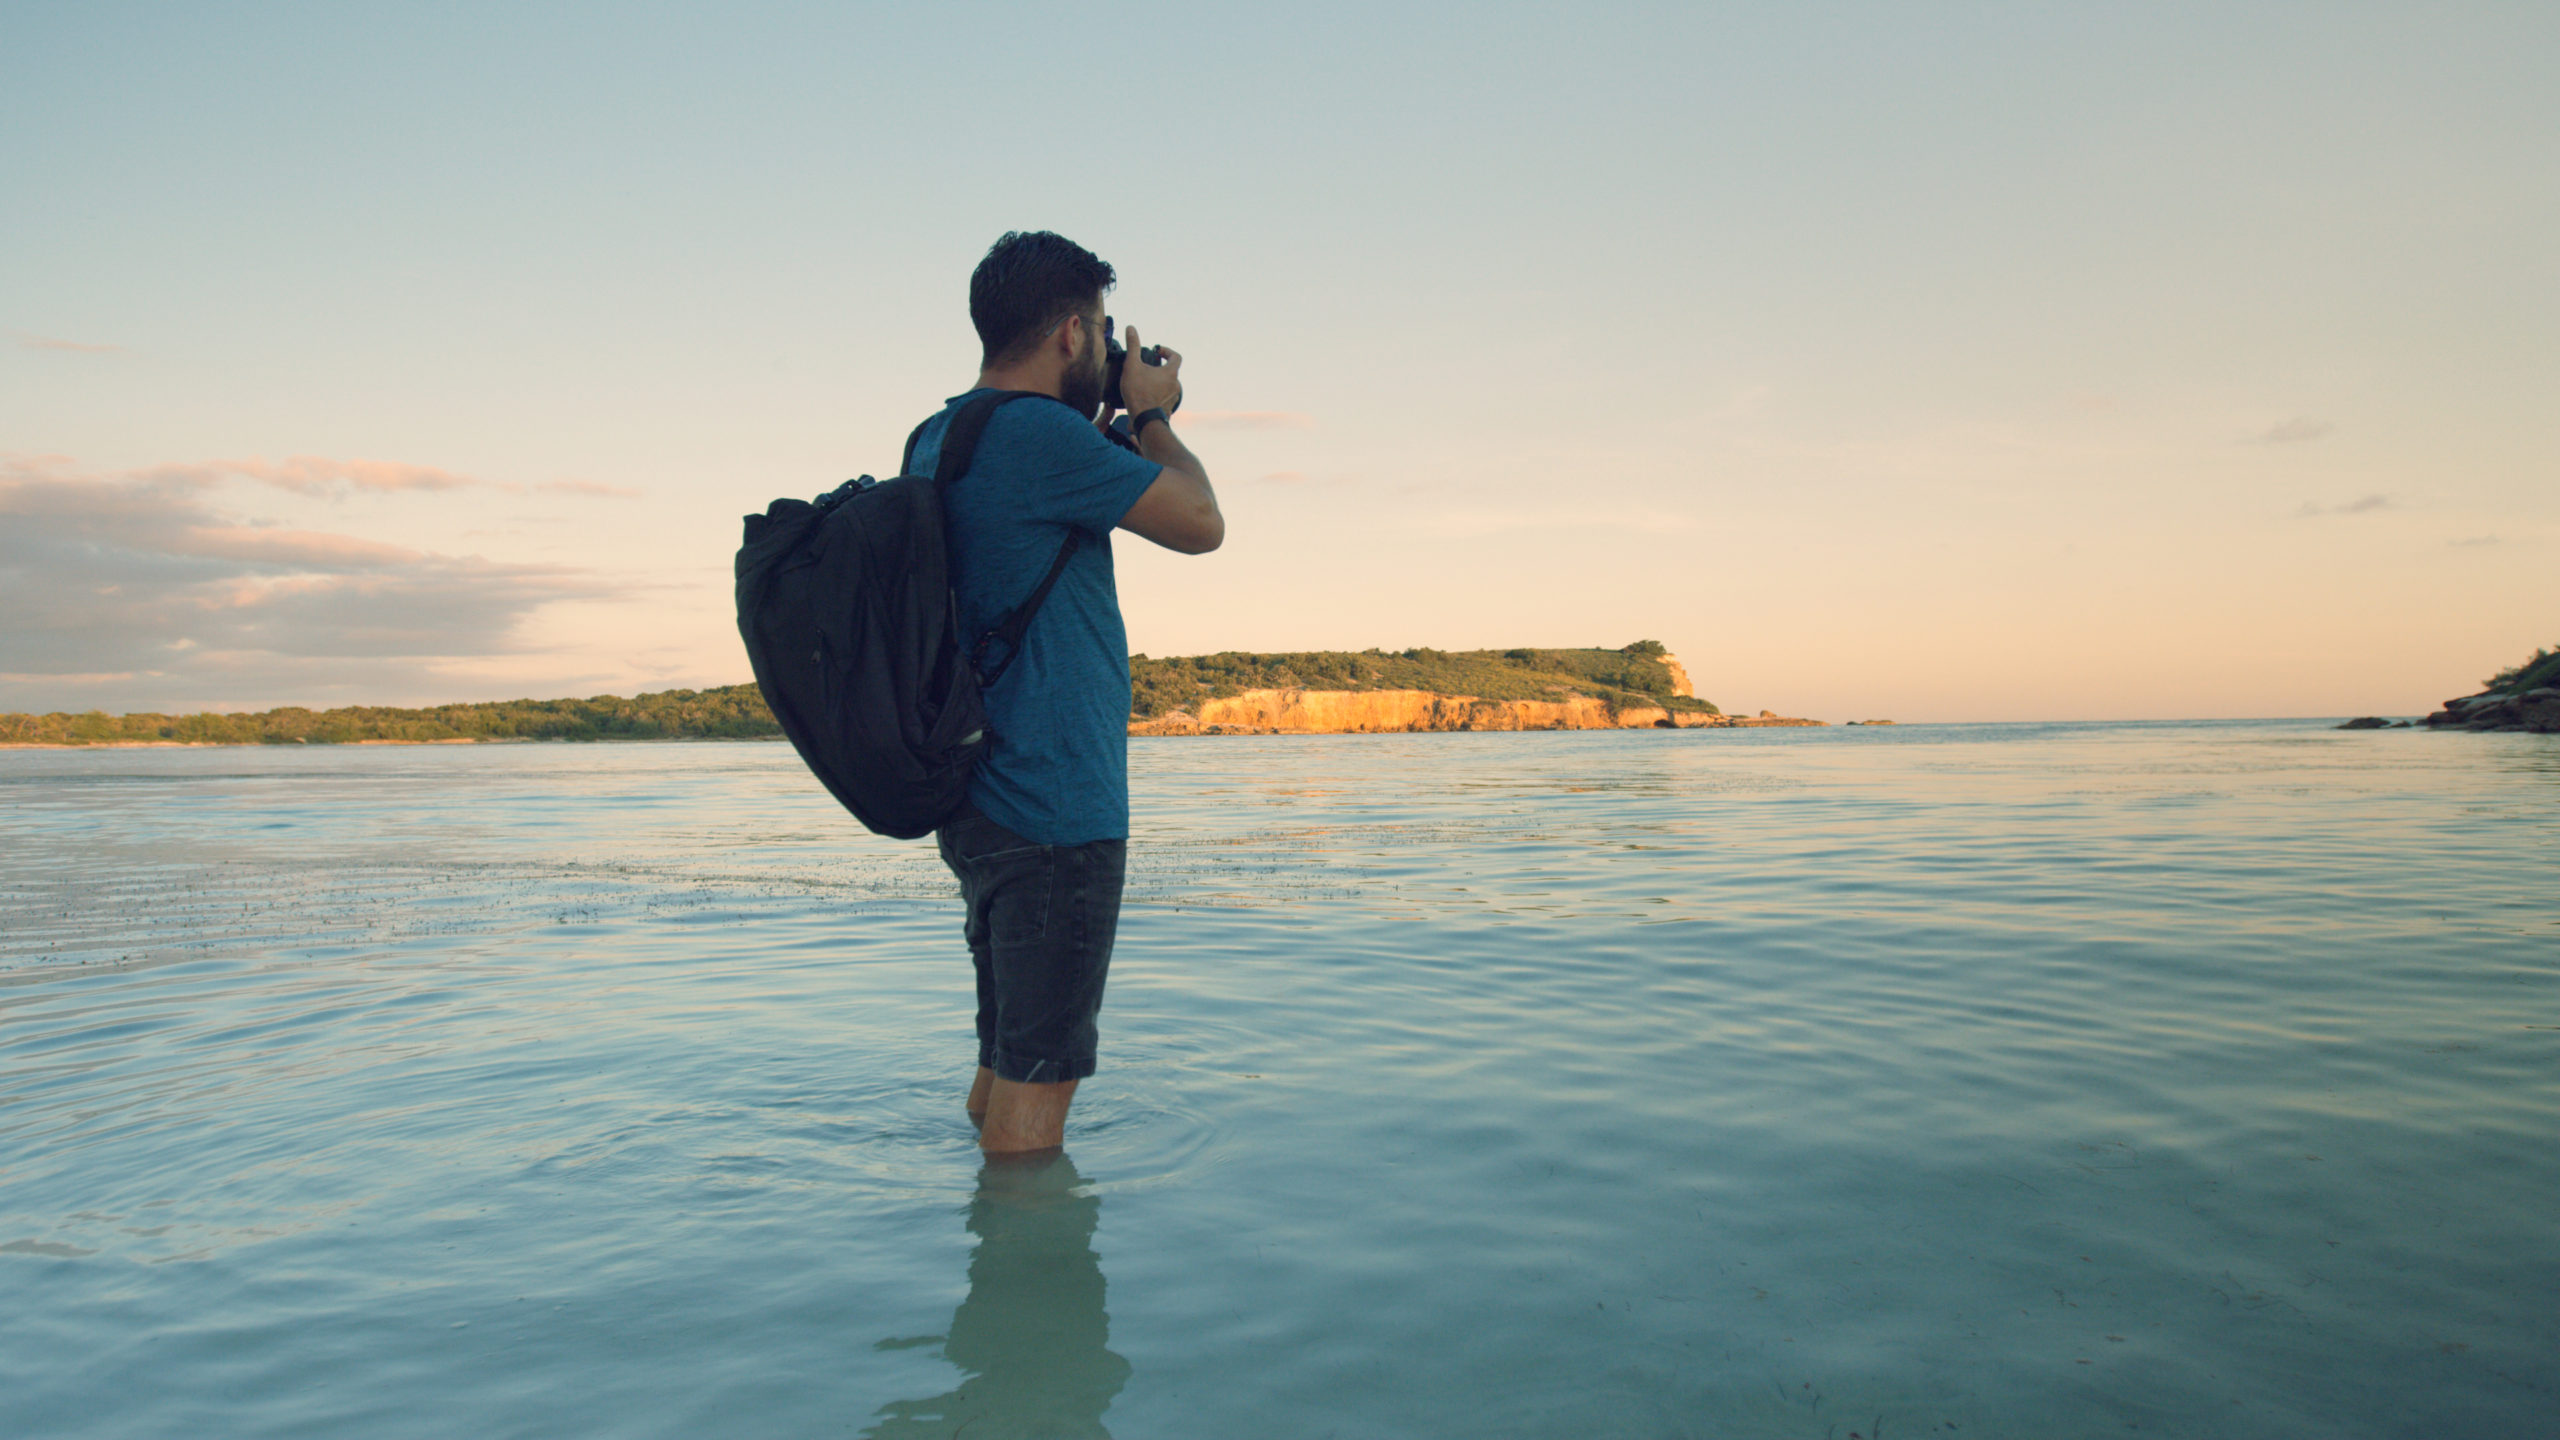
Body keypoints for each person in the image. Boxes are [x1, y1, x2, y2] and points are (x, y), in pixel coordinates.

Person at [906, 231, 1222, 1155]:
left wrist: (1109, 426)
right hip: (1056, 809)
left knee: (1006, 1062)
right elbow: (1201, 523)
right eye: (1099, 327)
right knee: (1036, 1104)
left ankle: (983, 1242)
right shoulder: (1039, 436)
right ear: (1069, 336)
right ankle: (1022, 1279)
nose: (1104, 345)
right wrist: (1154, 414)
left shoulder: (940, 435)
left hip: (981, 802)